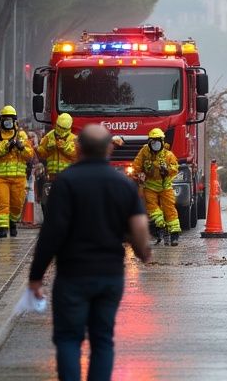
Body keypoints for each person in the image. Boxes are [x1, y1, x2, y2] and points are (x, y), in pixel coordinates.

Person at [28, 125, 151, 381]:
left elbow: (51, 234)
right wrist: (143, 253)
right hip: (109, 275)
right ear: (109, 148)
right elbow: (139, 227)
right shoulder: (123, 184)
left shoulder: (66, 183)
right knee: (102, 339)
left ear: (78, 148)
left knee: (69, 338)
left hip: (73, 274)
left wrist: (36, 275)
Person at [0, 106, 33, 239]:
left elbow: (29, 155)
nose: (8, 122)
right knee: (2, 202)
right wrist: (5, 146)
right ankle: (3, 229)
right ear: (1, 120)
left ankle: (12, 223)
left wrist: (21, 147)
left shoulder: (21, 135)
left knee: (17, 204)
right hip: (1, 177)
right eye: (5, 119)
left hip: (18, 177)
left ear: (15, 120)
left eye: (10, 119)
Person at [131, 128, 180, 245]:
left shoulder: (168, 155)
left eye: (158, 141)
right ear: (149, 142)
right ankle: (161, 227)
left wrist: (166, 170)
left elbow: (175, 168)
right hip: (150, 187)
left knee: (170, 210)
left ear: (162, 142)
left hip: (165, 187)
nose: (156, 144)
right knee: (153, 210)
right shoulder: (144, 152)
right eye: (153, 141)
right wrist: (139, 174)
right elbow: (136, 165)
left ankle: (174, 235)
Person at [36, 114, 78, 214]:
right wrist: (49, 149)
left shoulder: (74, 139)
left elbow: (77, 155)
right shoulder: (49, 136)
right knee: (48, 204)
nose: (61, 130)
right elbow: (40, 152)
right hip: (52, 177)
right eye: (59, 127)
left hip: (69, 179)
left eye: (64, 128)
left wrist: (65, 147)